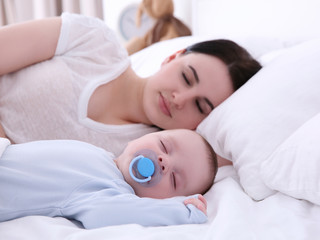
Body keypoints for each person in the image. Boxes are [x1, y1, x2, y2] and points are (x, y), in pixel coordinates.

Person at [0, 13, 262, 159]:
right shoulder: (93, 40)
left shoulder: (142, 156)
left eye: (200, 106)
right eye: (186, 77)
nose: (179, 99)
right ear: (172, 57)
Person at [0, 129, 218, 229]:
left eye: (173, 180)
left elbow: (116, 212)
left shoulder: (111, 190)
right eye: (164, 146)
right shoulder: (100, 155)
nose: (164, 162)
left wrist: (184, 212)